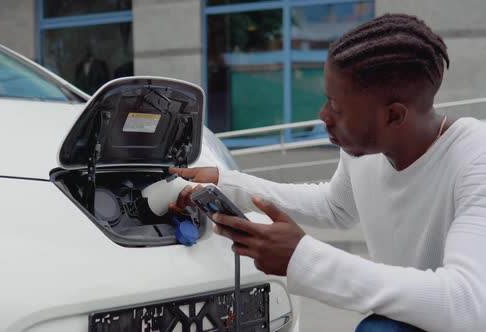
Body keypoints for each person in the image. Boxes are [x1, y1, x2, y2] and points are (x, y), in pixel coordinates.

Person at [169, 13, 486, 332]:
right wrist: (229, 184)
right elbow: (336, 206)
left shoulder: (476, 158)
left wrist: (302, 258)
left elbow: (467, 303)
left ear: (393, 116)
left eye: (336, 107)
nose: (322, 116)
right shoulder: (362, 154)